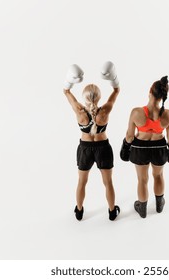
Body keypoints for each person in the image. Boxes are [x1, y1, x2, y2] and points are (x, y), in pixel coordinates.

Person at [63, 62, 121, 221]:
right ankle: (111, 211)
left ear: (84, 97)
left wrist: (71, 79)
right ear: (100, 96)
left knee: (81, 182)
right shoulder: (105, 111)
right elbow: (117, 90)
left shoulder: (79, 112)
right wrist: (112, 78)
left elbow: (66, 90)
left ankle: (79, 211)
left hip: (85, 149)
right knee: (108, 182)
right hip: (103, 148)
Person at [120, 76, 169, 218]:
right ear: (163, 96)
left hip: (140, 149)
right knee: (158, 176)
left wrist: (125, 148)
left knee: (142, 179)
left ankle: (142, 209)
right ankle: (159, 205)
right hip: (159, 149)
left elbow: (129, 136)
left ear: (150, 91)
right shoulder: (168, 115)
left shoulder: (136, 112)